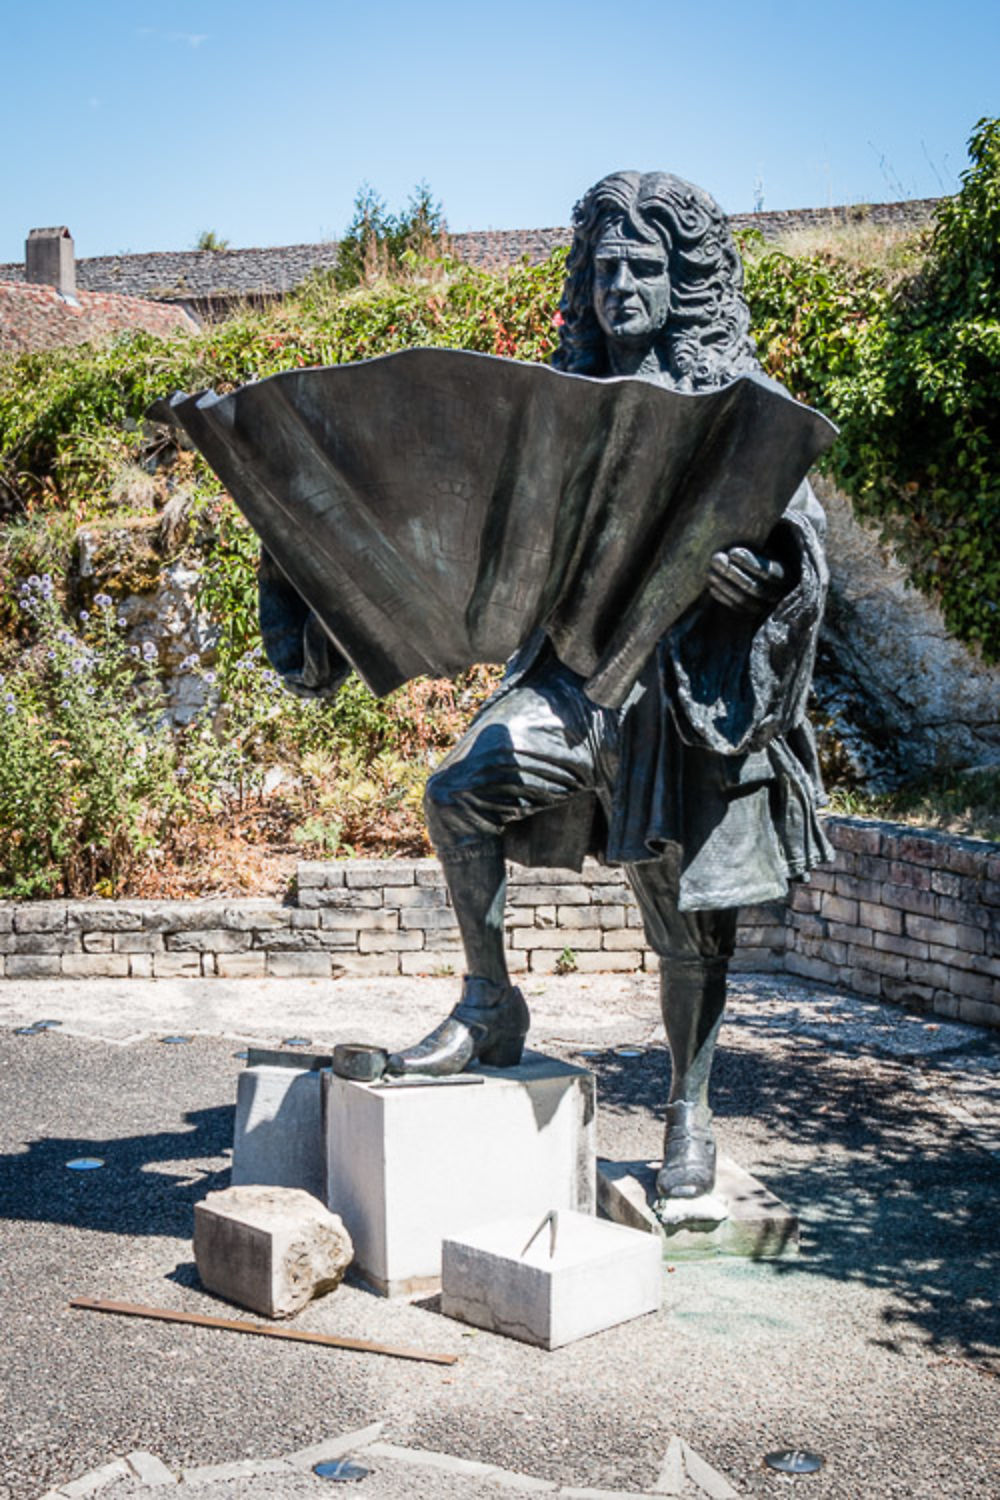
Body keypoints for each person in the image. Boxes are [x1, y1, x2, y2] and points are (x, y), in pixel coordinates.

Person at [385, 170, 833, 1204]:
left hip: (682, 703)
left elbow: (798, 545)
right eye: (603, 269)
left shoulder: (735, 407)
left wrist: (753, 581)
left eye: (642, 267)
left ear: (682, 280)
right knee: (458, 793)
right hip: (573, 682)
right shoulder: (564, 405)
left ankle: (690, 1107)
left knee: (682, 923)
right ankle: (491, 1004)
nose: (619, 285)